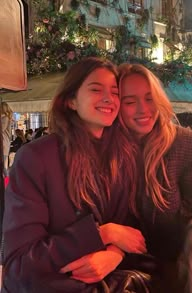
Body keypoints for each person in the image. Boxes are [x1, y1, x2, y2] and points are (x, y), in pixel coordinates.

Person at [2, 57, 147, 293]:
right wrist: (102, 234)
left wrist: (114, 254)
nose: (109, 98)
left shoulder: (124, 156)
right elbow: (20, 265)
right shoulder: (35, 158)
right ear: (71, 100)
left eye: (115, 92)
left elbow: (133, 232)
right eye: (96, 89)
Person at [118, 63, 192, 293]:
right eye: (130, 102)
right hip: (114, 275)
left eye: (150, 98)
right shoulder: (105, 149)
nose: (143, 109)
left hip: (172, 276)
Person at [0, 102, 13, 177]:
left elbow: (2, 129)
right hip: (4, 142)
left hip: (3, 142)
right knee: (3, 165)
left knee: (3, 165)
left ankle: (7, 183)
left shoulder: (5, 118)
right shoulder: (5, 117)